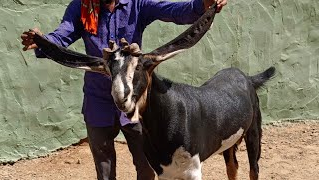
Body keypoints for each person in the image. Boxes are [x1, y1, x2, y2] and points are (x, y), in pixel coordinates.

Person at [21, 0, 227, 179]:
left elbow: (174, 10)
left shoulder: (137, 4)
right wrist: (43, 42)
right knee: (105, 170)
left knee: (146, 168)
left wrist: (203, 5)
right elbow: (61, 36)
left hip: (135, 103)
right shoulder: (81, 7)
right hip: (98, 102)